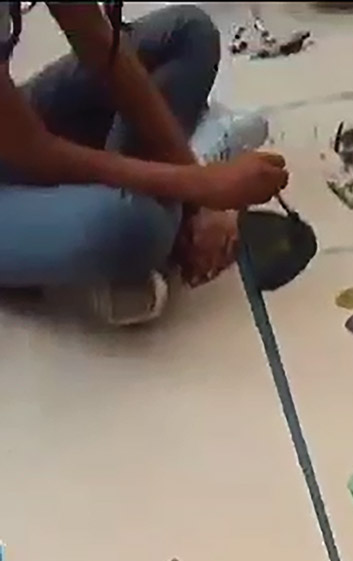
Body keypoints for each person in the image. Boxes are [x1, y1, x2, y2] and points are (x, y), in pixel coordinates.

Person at [0, 2, 288, 324]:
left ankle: (101, 243)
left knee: (189, 33)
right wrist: (201, 184)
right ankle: (186, 163)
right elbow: (32, 151)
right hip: (20, 146)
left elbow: (101, 45)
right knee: (133, 227)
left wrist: (198, 196)